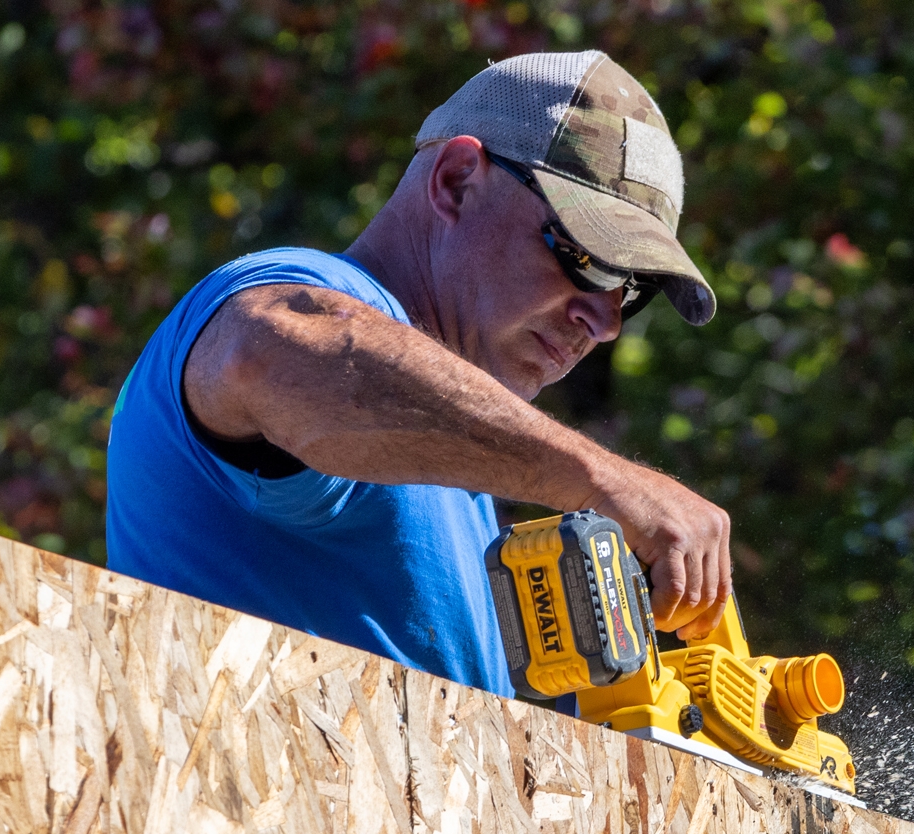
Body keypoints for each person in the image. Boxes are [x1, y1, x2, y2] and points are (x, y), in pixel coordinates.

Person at [105, 51, 731, 697]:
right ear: (458, 180)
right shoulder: (302, 294)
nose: (606, 323)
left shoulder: (447, 457)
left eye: (631, 290)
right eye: (591, 260)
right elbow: (260, 351)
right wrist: (599, 478)